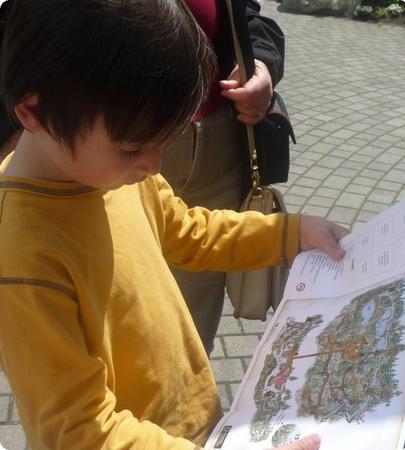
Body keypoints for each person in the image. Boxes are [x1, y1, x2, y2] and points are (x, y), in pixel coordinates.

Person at [0, 0, 347, 449]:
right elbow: (80, 432)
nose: (153, 164)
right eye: (132, 147)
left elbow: (189, 232)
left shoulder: (115, 174)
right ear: (34, 113)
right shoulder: (22, 257)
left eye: (166, 140)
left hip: (194, 427)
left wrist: (292, 233)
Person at [161, 0, 286, 354]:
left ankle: (185, 400)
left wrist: (260, 65)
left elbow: (246, 16)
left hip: (217, 145)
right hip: (120, 138)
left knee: (195, 306)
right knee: (115, 289)